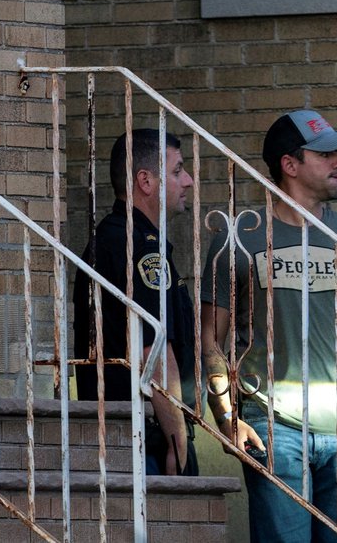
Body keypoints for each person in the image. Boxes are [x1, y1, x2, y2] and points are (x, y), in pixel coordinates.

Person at [200, 109, 337, 541]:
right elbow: (209, 340)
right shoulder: (238, 238)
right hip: (273, 427)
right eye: (325, 153)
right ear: (289, 165)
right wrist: (225, 416)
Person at [73, 128, 199, 476]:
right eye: (177, 171)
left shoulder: (119, 238)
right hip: (145, 439)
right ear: (145, 180)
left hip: (128, 433)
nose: (187, 180)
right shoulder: (137, 246)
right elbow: (153, 352)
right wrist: (177, 439)